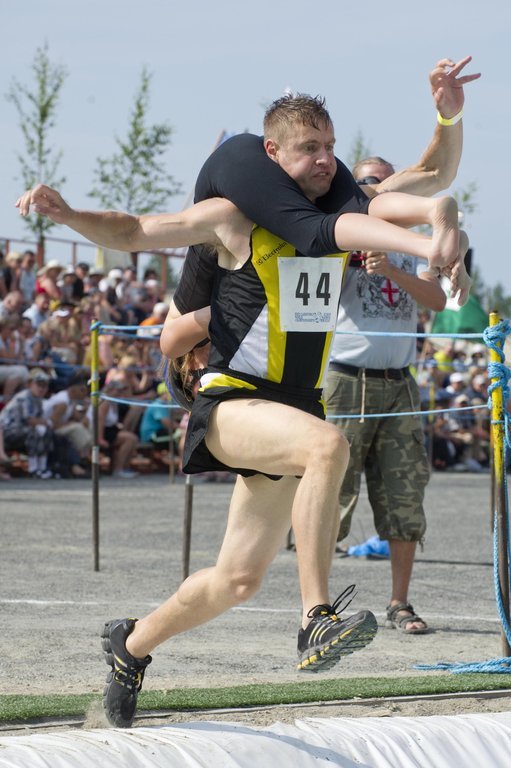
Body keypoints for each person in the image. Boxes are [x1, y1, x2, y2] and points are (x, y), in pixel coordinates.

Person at [16, 56, 479, 727]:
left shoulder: (344, 206)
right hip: (233, 401)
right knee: (327, 447)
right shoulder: (233, 217)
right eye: (308, 148)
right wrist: (67, 213)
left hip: (291, 409)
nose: (325, 160)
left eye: (330, 146)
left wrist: (446, 114)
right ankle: (315, 618)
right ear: (271, 153)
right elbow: (135, 230)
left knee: (237, 579)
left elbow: (433, 175)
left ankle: (130, 645)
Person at [324, 154, 451, 635]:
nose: (376, 190)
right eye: (366, 184)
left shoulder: (413, 244)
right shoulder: (337, 236)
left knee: (405, 492)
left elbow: (438, 300)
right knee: (331, 494)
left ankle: (400, 602)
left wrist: (394, 272)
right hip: (345, 380)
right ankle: (318, 609)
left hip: (399, 382)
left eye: (384, 183)